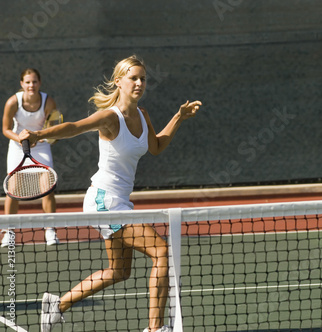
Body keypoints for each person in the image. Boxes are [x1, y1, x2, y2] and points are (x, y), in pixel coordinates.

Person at [20, 55, 202, 332]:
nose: (139, 83)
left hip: (117, 202)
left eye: (143, 78)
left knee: (119, 271)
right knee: (162, 251)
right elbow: (74, 127)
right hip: (105, 201)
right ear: (119, 82)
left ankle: (57, 305)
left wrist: (178, 117)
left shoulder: (142, 115)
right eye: (133, 78)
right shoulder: (109, 117)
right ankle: (155, 329)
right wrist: (38, 134)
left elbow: (156, 147)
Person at [2, 68, 60, 247]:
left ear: (39, 83)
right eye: (27, 82)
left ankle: (50, 230)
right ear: (22, 84)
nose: (31, 85)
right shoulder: (13, 102)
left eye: (34, 82)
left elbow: (54, 130)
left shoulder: (48, 102)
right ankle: (8, 232)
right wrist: (20, 139)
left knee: (48, 188)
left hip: (41, 145)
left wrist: (40, 137)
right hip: (18, 145)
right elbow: (5, 129)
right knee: (13, 190)